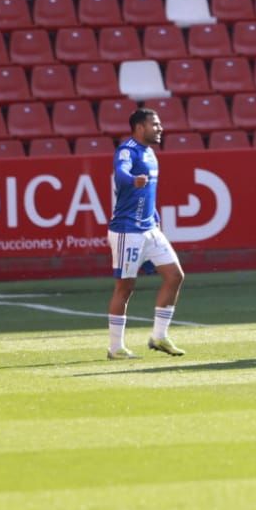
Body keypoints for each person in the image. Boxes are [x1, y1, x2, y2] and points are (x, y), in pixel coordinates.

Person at [106, 108, 186, 359]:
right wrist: (131, 180)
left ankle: (159, 337)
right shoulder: (127, 149)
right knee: (125, 288)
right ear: (140, 127)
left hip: (150, 228)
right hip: (127, 230)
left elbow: (149, 195)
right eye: (155, 124)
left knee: (174, 275)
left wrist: (156, 220)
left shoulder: (151, 153)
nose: (160, 128)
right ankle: (115, 348)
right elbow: (121, 171)